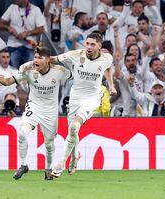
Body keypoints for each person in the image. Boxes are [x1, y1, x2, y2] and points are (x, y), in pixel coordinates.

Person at [0, 47, 72, 180]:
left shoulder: (59, 71)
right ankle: (23, 165)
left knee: (49, 144)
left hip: (50, 112)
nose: (36, 60)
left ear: (48, 60)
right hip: (33, 107)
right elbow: (9, 81)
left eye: (39, 58)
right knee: (22, 132)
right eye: (35, 57)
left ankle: (48, 169)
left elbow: (76, 76)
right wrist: (3, 80)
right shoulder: (28, 70)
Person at [49, 32, 117, 177]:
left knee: (74, 126)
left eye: (93, 44)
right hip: (75, 97)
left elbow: (108, 68)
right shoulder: (75, 54)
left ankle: (60, 165)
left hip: (92, 98)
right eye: (87, 43)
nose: (89, 47)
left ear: (99, 46)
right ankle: (75, 158)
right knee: (72, 131)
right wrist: (41, 59)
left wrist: (111, 86)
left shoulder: (106, 58)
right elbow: (55, 59)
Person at [0, 0, 46, 69]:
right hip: (13, 46)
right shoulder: (12, 7)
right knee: (12, 73)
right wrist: (8, 28)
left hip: (29, 47)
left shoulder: (35, 9)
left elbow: (41, 28)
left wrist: (27, 33)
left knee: (30, 73)